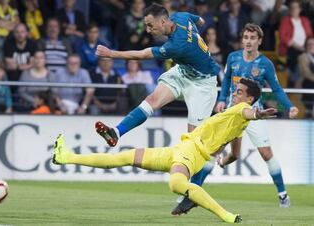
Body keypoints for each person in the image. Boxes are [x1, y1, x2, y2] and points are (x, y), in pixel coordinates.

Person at [52, 78, 278, 224]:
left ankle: (226, 215)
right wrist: (223, 161)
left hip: (192, 153)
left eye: (239, 92)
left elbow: (249, 113)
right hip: (181, 149)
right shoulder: (237, 122)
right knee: (122, 158)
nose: (234, 94)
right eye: (236, 91)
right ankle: (67, 156)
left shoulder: (243, 109)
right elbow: (235, 154)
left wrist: (258, 114)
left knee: (175, 184)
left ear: (249, 98)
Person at [173, 23, 299, 215]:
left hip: (254, 113)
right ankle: (189, 192)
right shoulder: (233, 58)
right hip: (232, 113)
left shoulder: (265, 64)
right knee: (211, 151)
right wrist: (222, 99)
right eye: (245, 38)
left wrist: (289, 107)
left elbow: (276, 89)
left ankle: (282, 194)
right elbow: (225, 83)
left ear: (259, 41)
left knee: (266, 154)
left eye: (252, 38)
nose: (248, 41)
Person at [95, 3, 219, 147]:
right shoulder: (181, 16)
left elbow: (143, 54)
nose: (148, 30)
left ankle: (206, 165)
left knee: (192, 140)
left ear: (163, 21)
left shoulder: (176, 46)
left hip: (203, 85)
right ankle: (116, 132)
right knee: (152, 100)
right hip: (183, 71)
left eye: (150, 25)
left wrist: (111, 54)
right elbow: (200, 20)